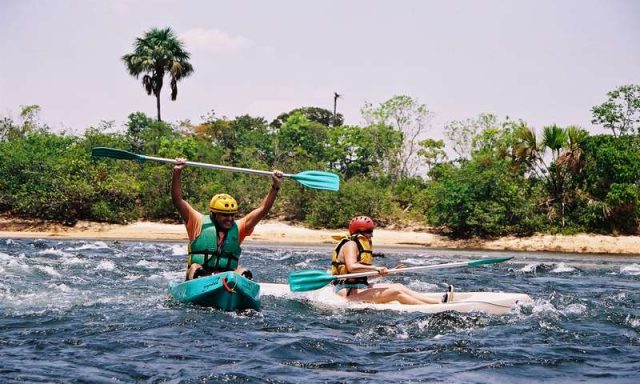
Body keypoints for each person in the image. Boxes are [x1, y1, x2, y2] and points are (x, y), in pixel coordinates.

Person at [171, 158, 283, 280]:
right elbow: (178, 200)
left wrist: (275, 187)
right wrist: (177, 172)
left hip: (226, 281)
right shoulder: (197, 222)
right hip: (199, 279)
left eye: (232, 215)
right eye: (225, 215)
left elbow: (262, 210)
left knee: (243, 271)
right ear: (214, 214)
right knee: (195, 267)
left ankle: (236, 290)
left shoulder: (239, 227)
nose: (229, 219)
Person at [330, 216, 445, 304]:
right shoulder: (351, 244)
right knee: (396, 293)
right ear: (358, 232)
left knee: (399, 286)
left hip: (358, 287)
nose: (372, 235)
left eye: (372, 231)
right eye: (368, 231)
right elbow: (352, 267)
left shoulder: (357, 245)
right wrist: (376, 268)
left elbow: (360, 276)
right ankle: (434, 308)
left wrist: (387, 272)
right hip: (348, 294)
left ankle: (437, 301)